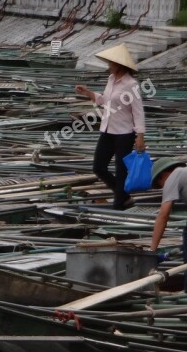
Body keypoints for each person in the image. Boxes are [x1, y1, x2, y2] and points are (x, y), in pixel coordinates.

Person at [75, 44, 146, 210]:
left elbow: (138, 112)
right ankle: (123, 195)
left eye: (110, 63)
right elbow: (106, 101)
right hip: (107, 130)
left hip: (124, 133)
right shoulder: (111, 80)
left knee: (121, 171)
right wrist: (89, 93)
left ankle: (118, 206)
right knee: (98, 167)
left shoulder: (131, 84)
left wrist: (140, 136)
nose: (108, 66)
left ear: (119, 65)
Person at [149, 157, 187, 287]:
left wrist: (152, 250)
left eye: (160, 185)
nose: (163, 187)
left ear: (162, 175)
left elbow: (163, 216)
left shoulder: (173, 177)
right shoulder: (184, 173)